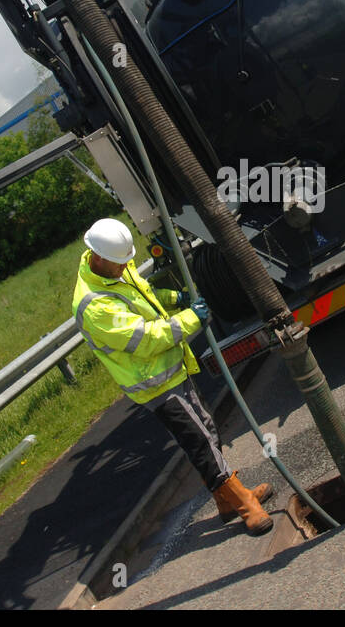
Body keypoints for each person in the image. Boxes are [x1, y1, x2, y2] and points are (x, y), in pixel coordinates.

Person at [72, 217, 274, 535]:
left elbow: (145, 299)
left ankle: (225, 502)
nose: (125, 268)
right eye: (119, 263)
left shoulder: (113, 273)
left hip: (172, 370)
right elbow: (146, 339)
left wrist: (175, 299)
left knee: (206, 430)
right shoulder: (94, 306)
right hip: (156, 385)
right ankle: (246, 502)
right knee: (200, 442)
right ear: (98, 257)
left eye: (127, 262)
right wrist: (191, 318)